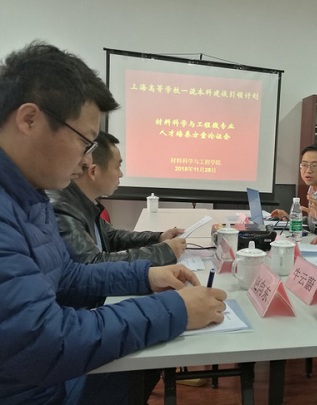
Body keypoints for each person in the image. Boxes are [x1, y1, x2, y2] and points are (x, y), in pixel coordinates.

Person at [0, 41, 227, 404]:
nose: (85, 160)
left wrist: (146, 276)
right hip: (35, 390)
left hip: (47, 381)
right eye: (85, 141)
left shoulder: (30, 194)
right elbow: (43, 342)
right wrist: (177, 310)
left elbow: (68, 275)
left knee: (145, 360)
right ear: (29, 120)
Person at [47, 131, 186, 266]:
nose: (121, 174)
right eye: (118, 167)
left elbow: (112, 237)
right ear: (93, 171)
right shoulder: (63, 209)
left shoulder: (82, 202)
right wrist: (163, 252)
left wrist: (158, 238)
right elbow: (94, 264)